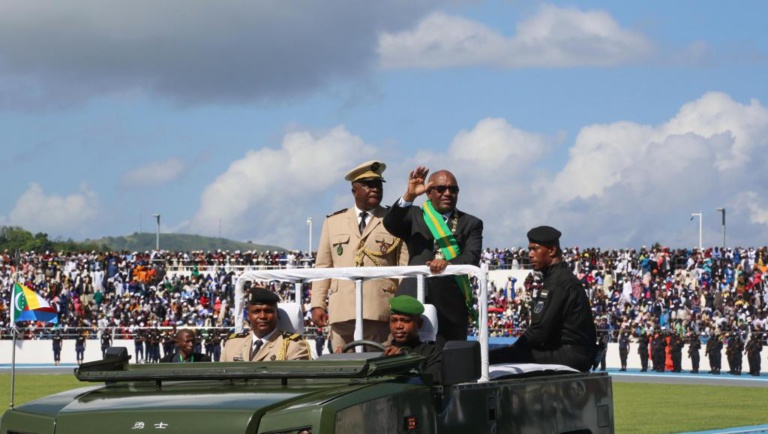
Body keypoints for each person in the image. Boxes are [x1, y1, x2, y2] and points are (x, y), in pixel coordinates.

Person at [312, 160, 408, 352]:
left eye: (378, 185)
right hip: (343, 312)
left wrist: (401, 308)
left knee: (378, 363)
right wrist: (317, 304)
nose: (375, 189)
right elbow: (323, 266)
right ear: (354, 190)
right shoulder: (333, 222)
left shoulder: (393, 220)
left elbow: (403, 267)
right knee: (343, 365)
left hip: (379, 310)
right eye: (368, 185)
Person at [383, 166, 483, 346]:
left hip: (450, 302)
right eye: (441, 189)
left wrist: (447, 263)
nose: (447, 193)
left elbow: (471, 257)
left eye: (453, 189)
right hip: (412, 296)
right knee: (405, 353)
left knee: (449, 356)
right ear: (429, 193)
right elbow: (390, 223)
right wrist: (409, 196)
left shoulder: (471, 223)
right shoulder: (414, 215)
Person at [488, 226, 596, 372]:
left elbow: (540, 331)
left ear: (551, 251)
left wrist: (514, 348)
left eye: (535, 249)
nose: (530, 254)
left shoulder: (557, 282)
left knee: (493, 357)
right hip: (575, 353)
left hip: (568, 355)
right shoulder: (562, 278)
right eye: (529, 249)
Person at [222, 287, 311, 362]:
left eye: (268, 311)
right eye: (256, 311)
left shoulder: (293, 346)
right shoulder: (232, 344)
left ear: (277, 314)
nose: (262, 316)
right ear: (248, 315)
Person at [383, 295, 442, 383]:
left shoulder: (433, 353)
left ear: (419, 323)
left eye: (405, 320)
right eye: (394, 320)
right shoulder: (384, 352)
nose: (398, 326)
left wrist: (404, 361)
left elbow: (429, 381)